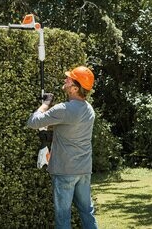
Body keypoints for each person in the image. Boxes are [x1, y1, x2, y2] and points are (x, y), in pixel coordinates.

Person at [26, 66, 98, 229]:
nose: (65, 80)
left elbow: (33, 122)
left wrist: (45, 104)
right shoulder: (89, 109)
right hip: (84, 170)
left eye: (69, 79)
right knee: (87, 212)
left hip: (65, 170)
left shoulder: (64, 109)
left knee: (63, 217)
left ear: (75, 88)